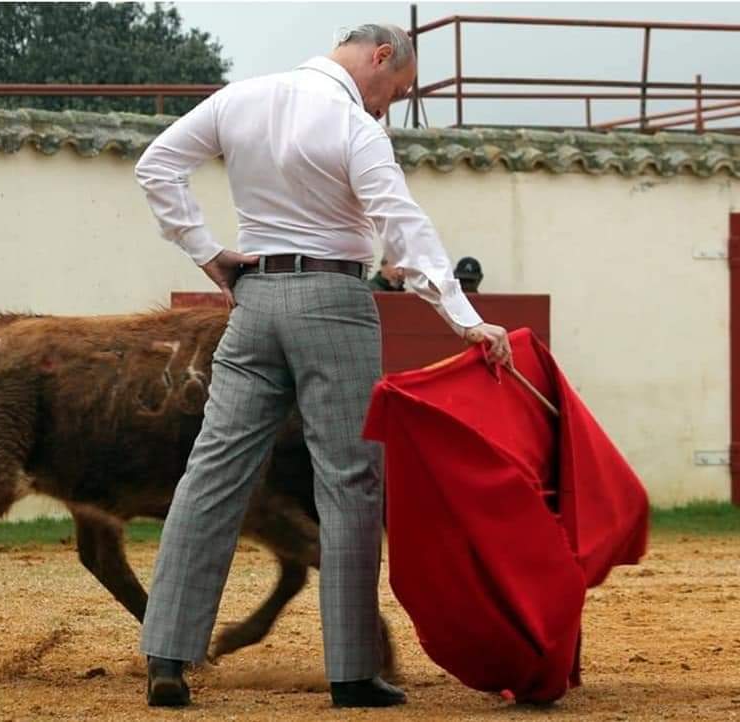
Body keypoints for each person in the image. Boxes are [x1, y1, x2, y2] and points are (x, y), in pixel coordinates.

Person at [134, 23, 511, 709]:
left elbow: (155, 165)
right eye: (396, 90)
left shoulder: (240, 99)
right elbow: (402, 223)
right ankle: (352, 671)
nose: (388, 107)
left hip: (253, 303)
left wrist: (206, 251)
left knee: (212, 473)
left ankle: (166, 654)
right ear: (380, 57)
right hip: (334, 304)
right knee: (349, 480)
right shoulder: (354, 126)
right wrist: (463, 317)